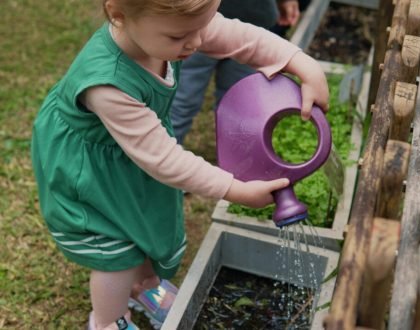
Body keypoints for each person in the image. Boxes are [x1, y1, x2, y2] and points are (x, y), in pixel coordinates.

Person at [30, 0, 329, 329]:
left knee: (141, 220)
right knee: (114, 250)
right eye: (180, 37)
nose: (198, 42)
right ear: (118, 14)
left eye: (202, 27)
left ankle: (144, 285)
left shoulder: (174, 27)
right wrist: (235, 190)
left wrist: (302, 64)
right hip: (90, 170)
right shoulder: (108, 84)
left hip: (133, 152)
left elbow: (242, 37)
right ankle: (107, 320)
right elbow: (164, 159)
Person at [170, 0, 301, 143]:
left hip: (252, 22)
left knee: (239, 110)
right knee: (180, 103)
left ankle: (232, 158)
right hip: (198, 22)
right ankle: (163, 154)